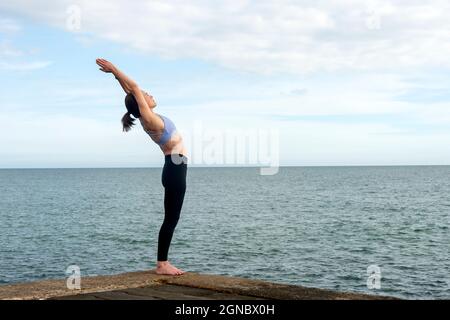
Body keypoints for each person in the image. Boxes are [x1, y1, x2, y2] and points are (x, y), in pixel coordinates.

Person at [96, 58, 188, 276]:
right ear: (141, 104)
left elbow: (131, 91)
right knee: (171, 218)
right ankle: (162, 264)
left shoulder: (148, 115)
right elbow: (135, 89)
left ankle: (162, 263)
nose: (149, 94)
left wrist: (116, 76)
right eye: (146, 95)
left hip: (174, 167)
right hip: (175, 168)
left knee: (171, 217)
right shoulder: (149, 120)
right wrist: (115, 69)